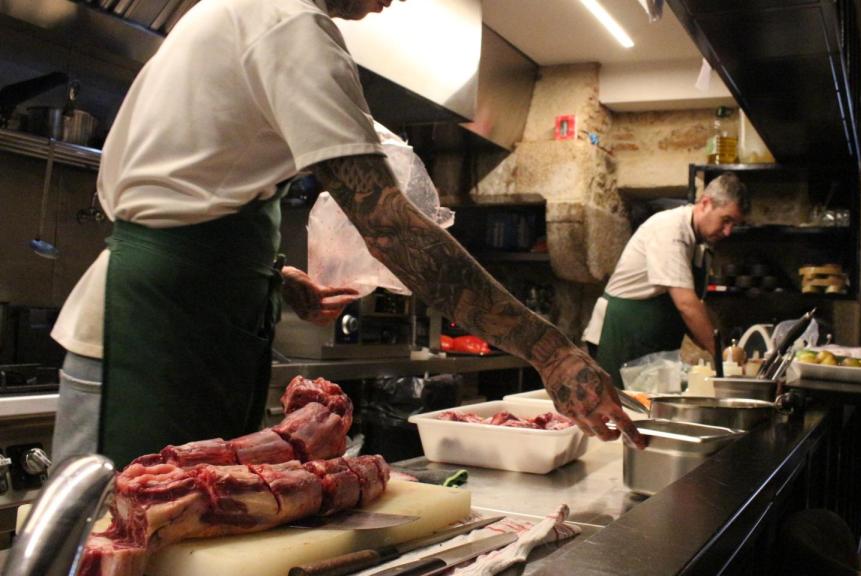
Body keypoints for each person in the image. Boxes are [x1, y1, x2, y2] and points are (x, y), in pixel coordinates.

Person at [49, 0, 642, 468]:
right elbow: (388, 224)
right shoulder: (290, 24)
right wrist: (551, 351)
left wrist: (273, 278)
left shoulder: (240, 12)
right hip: (149, 334)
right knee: (115, 537)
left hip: (188, 320)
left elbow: (182, 192)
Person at [583, 173, 749, 389]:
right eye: (726, 220)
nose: (728, 232)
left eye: (734, 225)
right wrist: (722, 360)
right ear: (706, 203)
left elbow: (698, 307)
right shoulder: (670, 229)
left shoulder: (700, 245)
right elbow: (686, 305)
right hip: (622, 337)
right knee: (617, 413)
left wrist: (723, 347)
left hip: (652, 348)